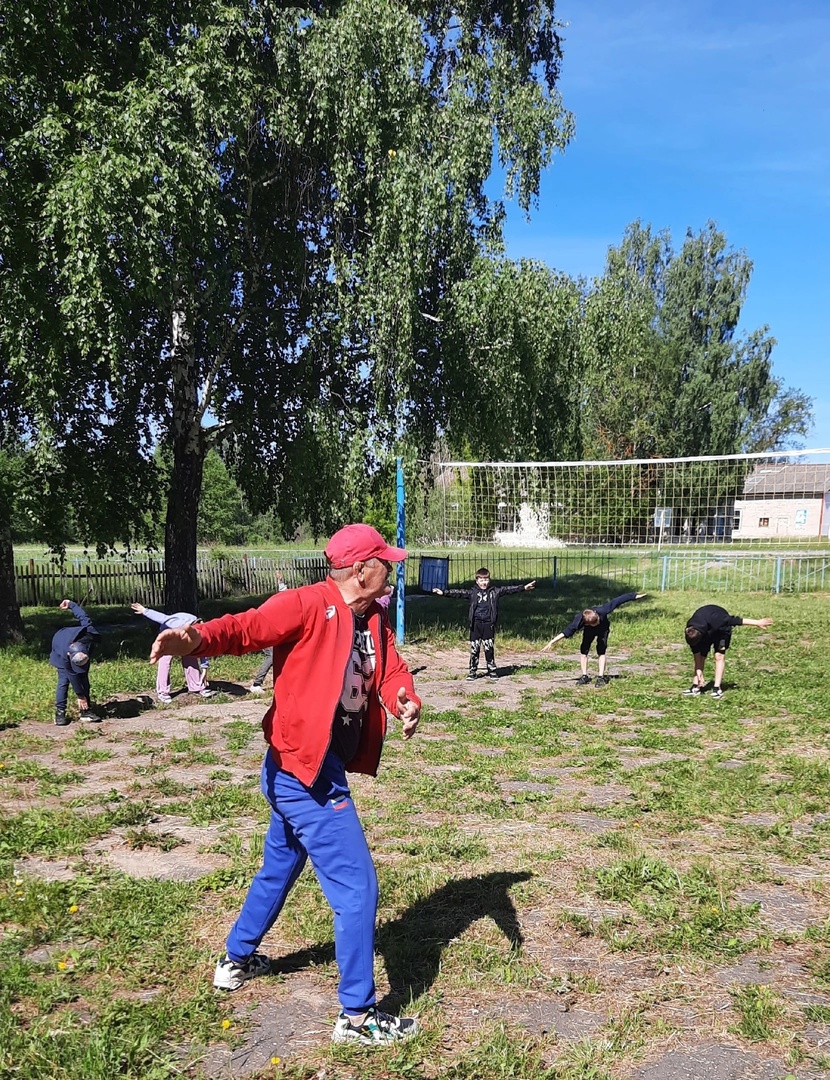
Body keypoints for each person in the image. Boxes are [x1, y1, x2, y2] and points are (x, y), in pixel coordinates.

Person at [148, 524, 421, 1045]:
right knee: (358, 886)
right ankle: (357, 1016)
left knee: (279, 867)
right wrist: (195, 637)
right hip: (305, 773)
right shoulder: (305, 604)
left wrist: (404, 697)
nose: (393, 566)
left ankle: (235, 959)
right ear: (363, 569)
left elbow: (389, 670)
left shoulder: (375, 615)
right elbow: (247, 628)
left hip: (308, 768)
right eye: (386, 560)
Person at [432, 568, 535, 680]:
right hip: (475, 624)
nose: (484, 582)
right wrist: (443, 592)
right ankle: (472, 671)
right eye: (481, 580)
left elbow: (508, 589)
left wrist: (523, 588)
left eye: (486, 580)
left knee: (488, 648)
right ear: (477, 581)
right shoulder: (472, 592)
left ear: (489, 580)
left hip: (488, 624)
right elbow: (459, 593)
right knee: (474, 649)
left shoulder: (495, 591)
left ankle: (492, 671)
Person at [543, 592, 647, 686]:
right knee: (584, 650)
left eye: (597, 620)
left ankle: (601, 677)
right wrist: (552, 642)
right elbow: (566, 632)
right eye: (595, 623)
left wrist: (634, 596)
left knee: (601, 651)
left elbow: (617, 601)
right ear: (587, 623)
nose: (597, 622)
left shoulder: (602, 611)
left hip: (603, 629)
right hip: (589, 631)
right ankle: (584, 676)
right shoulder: (579, 621)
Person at [130, 603, 217, 703]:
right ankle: (163, 692)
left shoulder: (200, 631)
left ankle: (197, 686)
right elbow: (162, 618)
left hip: (184, 636)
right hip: (168, 634)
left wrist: (205, 668)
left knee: (191, 655)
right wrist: (145, 611)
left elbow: (202, 648)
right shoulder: (178, 623)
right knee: (165, 661)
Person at [683, 604, 773, 698]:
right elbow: (696, 653)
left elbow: (737, 621)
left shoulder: (719, 619)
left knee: (719, 656)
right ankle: (696, 685)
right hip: (705, 633)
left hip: (721, 631)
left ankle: (717, 688)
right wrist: (698, 672)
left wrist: (758, 622)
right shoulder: (690, 630)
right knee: (701, 656)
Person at [49, 599, 101, 726]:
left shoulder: (88, 633)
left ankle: (86, 712)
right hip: (60, 649)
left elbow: (83, 616)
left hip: (74, 647)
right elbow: (73, 675)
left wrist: (71, 604)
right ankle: (60, 713)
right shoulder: (64, 654)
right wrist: (79, 695)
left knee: (84, 679)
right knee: (64, 681)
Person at [248, 571, 287, 694]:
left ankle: (282, 682)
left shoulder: (283, 603)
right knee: (271, 656)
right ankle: (256, 684)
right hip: (264, 633)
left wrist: (280, 581)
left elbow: (284, 593)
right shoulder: (275, 609)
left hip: (270, 633)